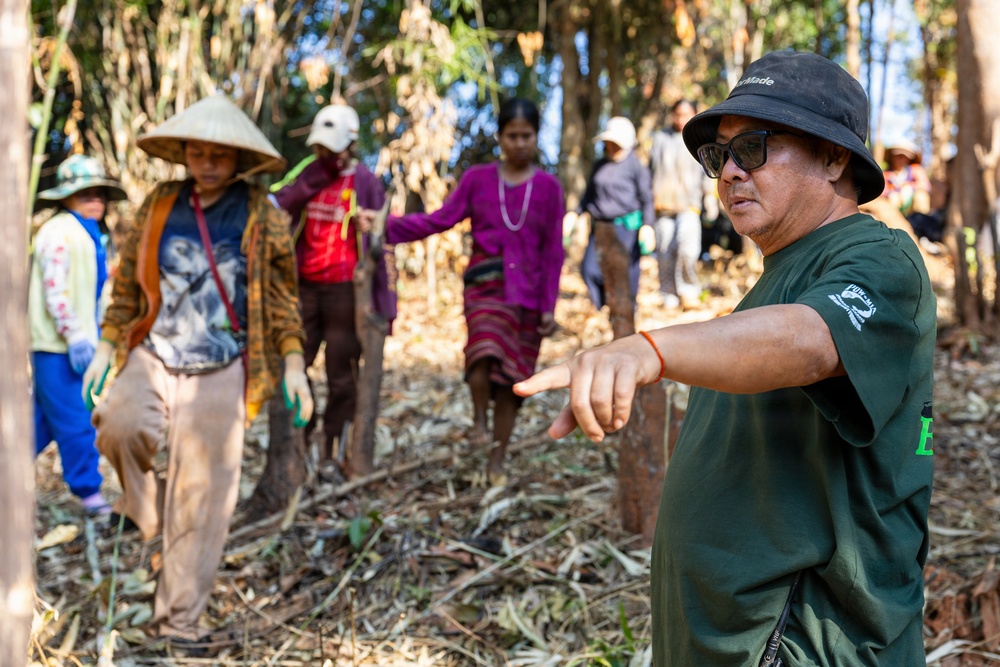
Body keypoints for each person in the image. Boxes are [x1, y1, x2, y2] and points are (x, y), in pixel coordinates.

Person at [516, 51, 935, 666]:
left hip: (804, 645)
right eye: (720, 156)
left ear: (834, 156)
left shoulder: (877, 257)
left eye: (756, 148)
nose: (730, 173)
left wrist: (650, 349)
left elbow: (813, 339)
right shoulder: (770, 284)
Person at [80, 94, 314, 651]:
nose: (207, 163)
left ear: (238, 159)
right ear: (183, 152)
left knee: (204, 499)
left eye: (219, 155)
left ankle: (178, 624)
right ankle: (143, 508)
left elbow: (282, 298)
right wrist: (105, 346)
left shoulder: (261, 212)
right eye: (197, 151)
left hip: (224, 364)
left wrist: (295, 365)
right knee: (117, 424)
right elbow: (128, 291)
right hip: (154, 351)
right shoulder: (161, 202)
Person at [359, 98, 564, 485]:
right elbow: (441, 220)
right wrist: (384, 227)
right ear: (500, 138)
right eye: (512, 135)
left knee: (514, 383)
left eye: (527, 135)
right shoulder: (478, 179)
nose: (520, 143)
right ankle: (479, 424)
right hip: (484, 287)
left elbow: (553, 250)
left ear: (537, 137)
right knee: (482, 354)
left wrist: (548, 306)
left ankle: (497, 459)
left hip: (529, 296)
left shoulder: (550, 187)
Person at [271, 103, 395, 468]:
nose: (325, 154)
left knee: (342, 374)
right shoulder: (309, 174)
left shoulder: (366, 183)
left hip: (345, 292)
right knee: (297, 363)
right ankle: (301, 438)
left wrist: (385, 302)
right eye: (320, 147)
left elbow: (382, 242)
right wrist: (315, 176)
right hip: (304, 288)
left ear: (351, 144)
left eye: (333, 148)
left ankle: (332, 444)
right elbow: (280, 204)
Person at [31, 154, 126, 517]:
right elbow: (55, 291)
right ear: (66, 197)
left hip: (75, 345)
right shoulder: (58, 231)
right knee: (75, 419)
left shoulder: (90, 234)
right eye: (85, 194)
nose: (95, 200)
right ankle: (89, 492)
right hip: (56, 347)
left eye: (99, 193)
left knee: (40, 423)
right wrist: (74, 335)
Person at [577, 116, 655, 310]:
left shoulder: (636, 166)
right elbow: (587, 197)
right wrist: (574, 213)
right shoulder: (599, 166)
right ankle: (602, 306)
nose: (611, 147)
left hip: (626, 228)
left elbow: (647, 198)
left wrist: (648, 226)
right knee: (590, 269)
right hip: (601, 227)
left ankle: (625, 310)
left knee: (625, 272)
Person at [649, 100, 719, 310]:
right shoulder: (660, 138)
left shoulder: (697, 138)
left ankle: (689, 291)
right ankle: (668, 294)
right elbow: (650, 171)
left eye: (686, 114)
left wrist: (710, 199)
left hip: (689, 205)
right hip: (662, 207)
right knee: (664, 252)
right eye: (677, 114)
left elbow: (707, 171)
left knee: (688, 248)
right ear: (672, 115)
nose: (681, 119)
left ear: (694, 114)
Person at [882, 139, 932, 218]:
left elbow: (925, 185)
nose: (901, 160)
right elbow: (882, 192)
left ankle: (921, 223)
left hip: (912, 208)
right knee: (893, 199)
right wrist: (894, 194)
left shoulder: (915, 170)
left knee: (921, 196)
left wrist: (909, 187)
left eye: (904, 157)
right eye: (898, 156)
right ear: (892, 157)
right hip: (893, 207)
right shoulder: (886, 175)